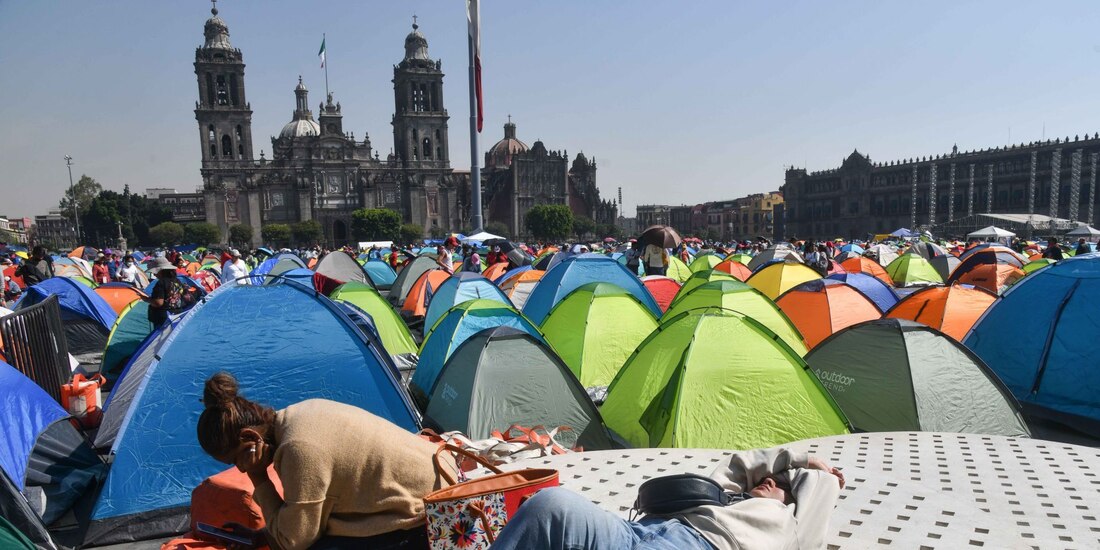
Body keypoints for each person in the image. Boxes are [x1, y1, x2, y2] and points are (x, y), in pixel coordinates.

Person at [196, 372, 453, 550]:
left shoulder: (299, 449)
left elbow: (294, 541)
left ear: (250, 437)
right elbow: (302, 519)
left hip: (435, 517)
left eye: (236, 459)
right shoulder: (297, 415)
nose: (240, 469)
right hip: (440, 486)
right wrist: (264, 534)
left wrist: (259, 477)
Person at [492, 448, 844, 550]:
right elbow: (742, 463)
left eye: (780, 484)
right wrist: (790, 459)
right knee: (550, 505)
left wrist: (812, 468)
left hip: (696, 546)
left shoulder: (789, 527)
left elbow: (823, 487)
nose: (769, 481)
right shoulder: (720, 493)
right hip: (636, 532)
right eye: (766, 478)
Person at [143, 257, 193, 327]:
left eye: (155, 272)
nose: (154, 274)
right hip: (177, 315)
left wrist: (146, 299)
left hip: (163, 318)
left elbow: (158, 303)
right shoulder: (176, 281)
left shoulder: (161, 283)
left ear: (161, 271)